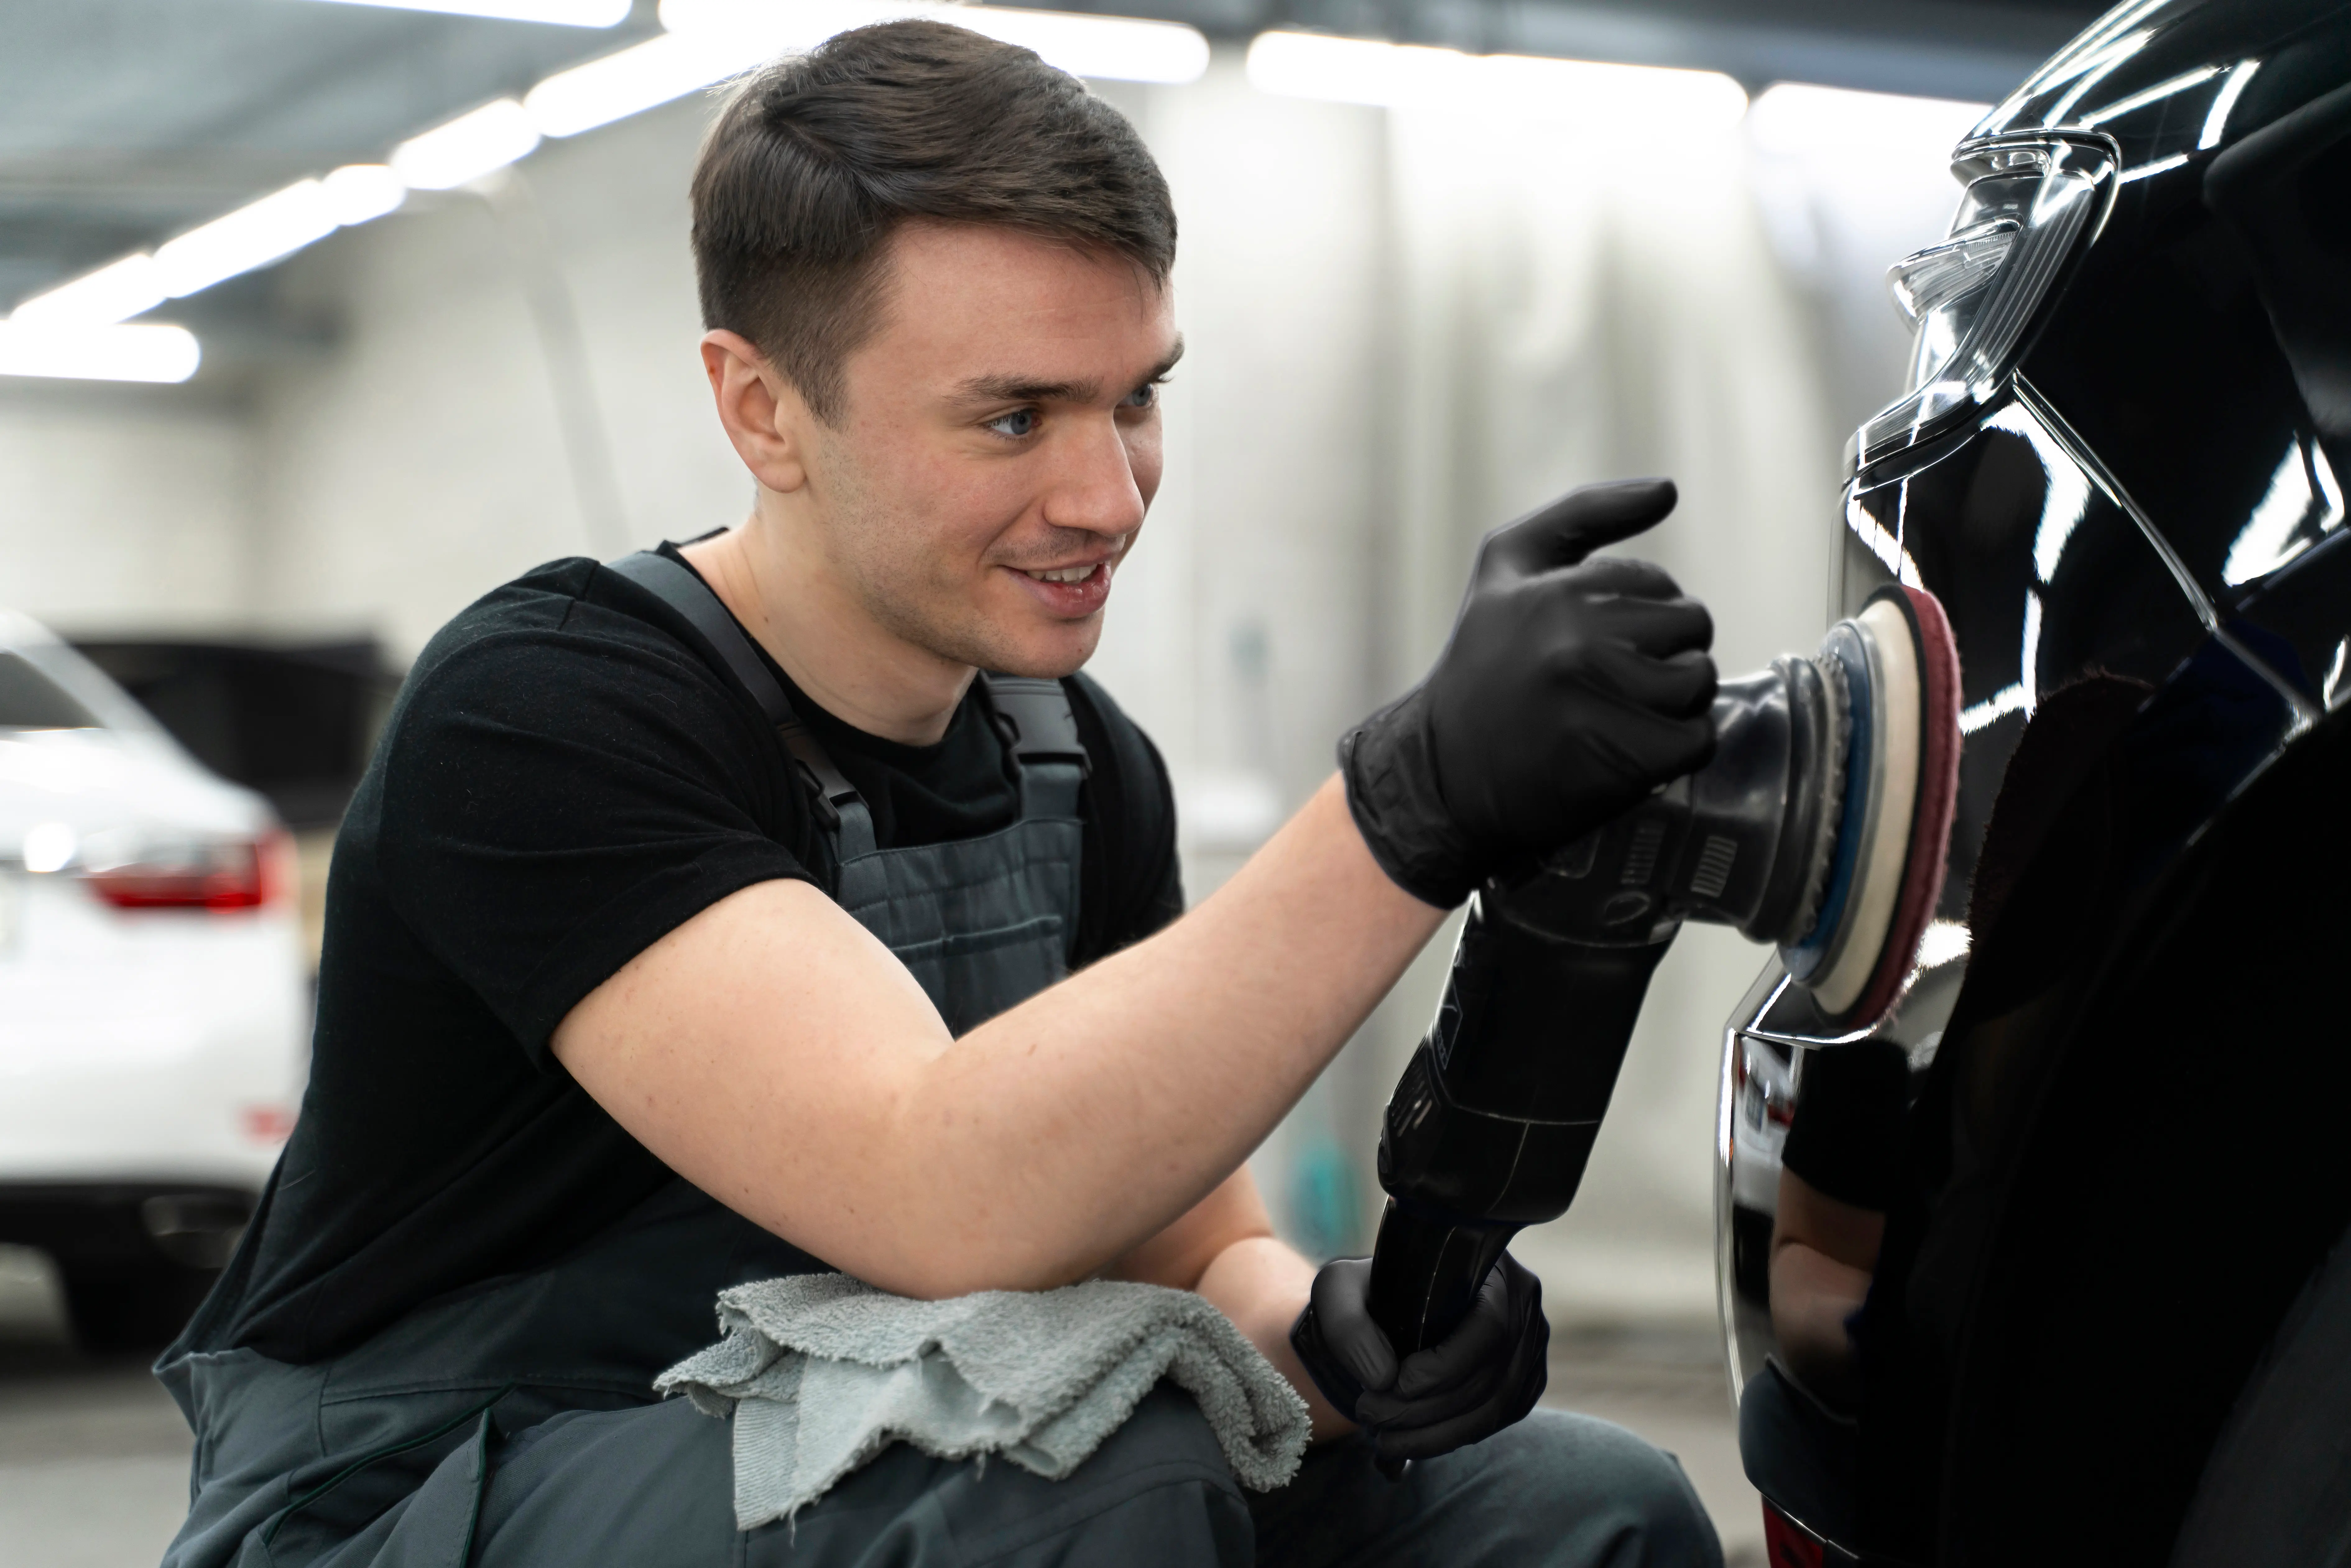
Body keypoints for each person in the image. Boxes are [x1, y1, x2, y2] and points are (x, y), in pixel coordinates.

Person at [158, 21, 1724, 1567]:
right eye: (1013, 416)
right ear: (763, 408)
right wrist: (1411, 802)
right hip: (430, 1489)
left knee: (1577, 1504)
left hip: (874, 1453)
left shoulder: (1080, 759)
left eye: (1136, 399)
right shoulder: (545, 710)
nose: (1107, 496)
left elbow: (1187, 1239)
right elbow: (935, 1184)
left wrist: (1327, 1334)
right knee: (1085, 1479)